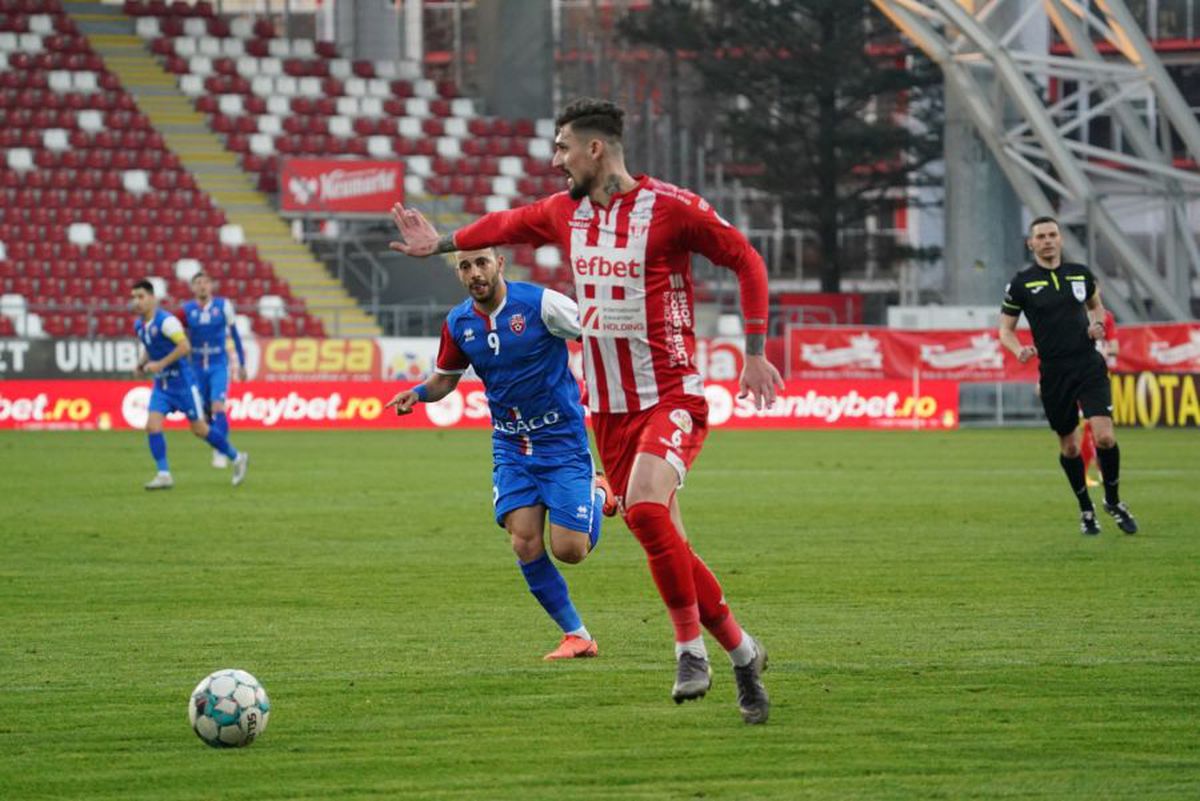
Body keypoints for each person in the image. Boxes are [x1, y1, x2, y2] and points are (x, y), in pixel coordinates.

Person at [388, 97, 781, 724]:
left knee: (649, 510)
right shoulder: (565, 214)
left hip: (670, 394)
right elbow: (503, 223)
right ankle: (742, 652)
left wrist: (755, 352)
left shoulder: (670, 209)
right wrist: (438, 243)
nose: (556, 160)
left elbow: (745, 260)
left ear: (595, 149)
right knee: (666, 539)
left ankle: (689, 652)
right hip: (608, 411)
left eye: (563, 147)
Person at [384, 247, 617, 661]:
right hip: (511, 444)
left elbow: (598, 338)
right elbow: (445, 379)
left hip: (560, 441)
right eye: (465, 266)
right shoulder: (459, 323)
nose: (475, 273)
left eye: (481, 263)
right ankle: (577, 635)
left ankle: (597, 490)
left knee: (570, 551)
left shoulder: (540, 304)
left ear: (500, 263)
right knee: (524, 542)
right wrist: (418, 394)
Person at [999, 217, 1136, 536]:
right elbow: (1005, 330)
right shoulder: (1021, 283)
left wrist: (1097, 326)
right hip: (1054, 372)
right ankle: (1086, 510)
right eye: (1040, 236)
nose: (1047, 240)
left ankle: (1113, 501)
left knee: (1104, 436)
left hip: (1088, 365)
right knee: (1070, 448)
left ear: (1060, 240)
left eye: (1052, 235)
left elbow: (1097, 308)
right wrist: (1018, 349)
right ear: (1030, 244)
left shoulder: (1081, 274)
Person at [131, 279, 249, 489]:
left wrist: (160, 364)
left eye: (141, 297)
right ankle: (164, 473)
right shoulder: (139, 325)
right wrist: (140, 365)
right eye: (134, 297)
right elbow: (150, 346)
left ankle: (236, 457)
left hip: (183, 383)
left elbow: (184, 347)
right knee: (152, 426)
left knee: (200, 429)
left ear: (152, 299)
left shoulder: (167, 322)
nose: (137, 302)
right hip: (162, 386)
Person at [178, 271, 247, 469]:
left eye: (206, 282)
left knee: (218, 406)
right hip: (196, 366)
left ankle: (220, 452)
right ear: (192, 288)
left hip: (218, 364)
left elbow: (235, 335)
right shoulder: (186, 310)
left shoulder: (224, 306)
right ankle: (220, 446)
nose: (202, 286)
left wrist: (241, 363)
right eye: (198, 283)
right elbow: (176, 335)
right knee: (203, 417)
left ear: (211, 286)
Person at [1079, 308, 1118, 487]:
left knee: (1094, 428)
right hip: (1077, 375)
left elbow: (1115, 347)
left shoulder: (1106, 316)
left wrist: (1102, 351)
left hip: (1098, 377)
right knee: (1086, 426)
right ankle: (1086, 472)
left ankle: (1095, 472)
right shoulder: (1071, 311)